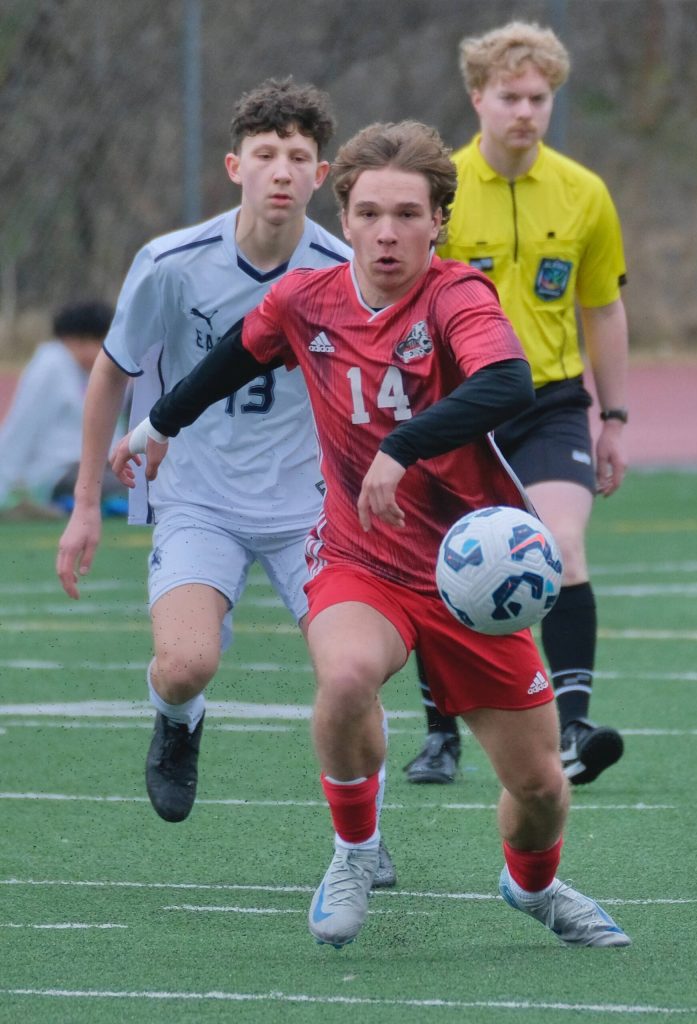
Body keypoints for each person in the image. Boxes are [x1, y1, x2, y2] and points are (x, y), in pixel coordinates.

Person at [114, 120, 631, 951]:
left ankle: (533, 888)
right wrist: (157, 426)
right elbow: (238, 358)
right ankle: (354, 851)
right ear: (343, 216)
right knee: (347, 673)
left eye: (407, 214)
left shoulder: (457, 295)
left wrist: (401, 445)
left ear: (438, 223)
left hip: (471, 575)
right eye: (369, 214)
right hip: (363, 557)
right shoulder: (305, 297)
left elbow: (506, 382)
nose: (387, 232)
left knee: (540, 789)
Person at [55, 78, 396, 887]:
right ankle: (177, 722)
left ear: (322, 178)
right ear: (235, 165)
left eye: (301, 158)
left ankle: (366, 835)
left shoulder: (345, 270)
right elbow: (111, 373)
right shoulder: (171, 264)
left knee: (350, 679)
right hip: (197, 499)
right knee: (184, 665)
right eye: (268, 154)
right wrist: (81, 509)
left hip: (313, 509)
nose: (283, 170)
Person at [407, 20, 629, 787]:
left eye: (539, 97)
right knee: (443, 563)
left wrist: (616, 419)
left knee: (560, 544)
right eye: (510, 96)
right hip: (457, 405)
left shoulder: (583, 193)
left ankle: (572, 729)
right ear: (478, 97)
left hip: (551, 402)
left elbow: (601, 308)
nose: (525, 111)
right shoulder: (439, 191)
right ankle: (440, 733)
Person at [0, 300, 123, 520]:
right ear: (72, 340)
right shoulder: (50, 365)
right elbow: (21, 427)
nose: (101, 351)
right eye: (97, 342)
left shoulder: (94, 371)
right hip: (60, 472)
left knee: (143, 481)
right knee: (131, 488)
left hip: (97, 467)